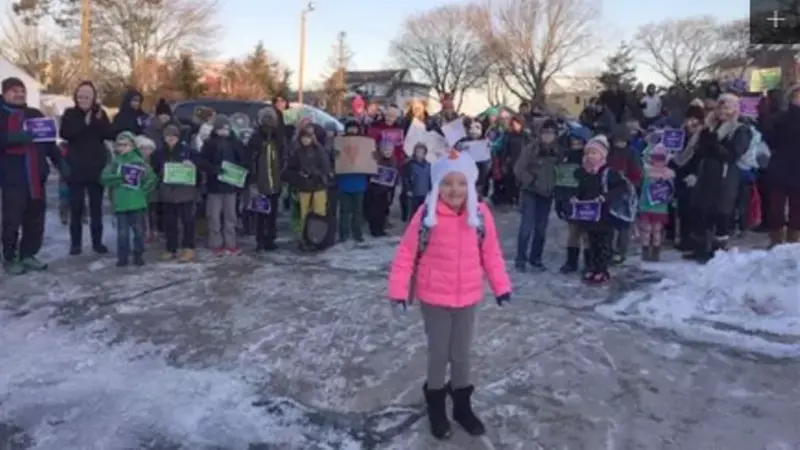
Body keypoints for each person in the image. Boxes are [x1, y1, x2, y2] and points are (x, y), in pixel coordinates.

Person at [387, 150, 511, 440]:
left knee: (462, 355)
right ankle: (436, 405)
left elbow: (491, 254)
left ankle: (462, 406)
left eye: (460, 183)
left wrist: (501, 286)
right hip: (434, 297)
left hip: (468, 296)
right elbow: (406, 254)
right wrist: (398, 291)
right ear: (436, 185)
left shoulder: (480, 215)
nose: (454, 190)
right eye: (447, 183)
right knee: (439, 353)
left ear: (471, 185)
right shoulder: (426, 216)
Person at [0, 77, 63, 274]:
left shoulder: (34, 114)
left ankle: (28, 254)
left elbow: (49, 142)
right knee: (12, 219)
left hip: (36, 176)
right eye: (14, 91)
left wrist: (61, 163)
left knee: (35, 219)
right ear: (4, 93)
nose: (19, 94)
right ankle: (10, 258)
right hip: (12, 178)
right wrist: (13, 138)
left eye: (22, 91)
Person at [684, 94, 751, 262]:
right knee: (701, 210)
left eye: (727, 107)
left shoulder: (740, 129)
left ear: (734, 109)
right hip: (706, 173)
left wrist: (714, 145)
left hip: (725, 174)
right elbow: (699, 150)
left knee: (721, 212)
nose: (723, 111)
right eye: (720, 107)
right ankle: (700, 247)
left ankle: (718, 250)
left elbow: (733, 153)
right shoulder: (709, 127)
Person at [59, 81, 113, 255]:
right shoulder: (69, 114)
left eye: (87, 97)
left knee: (96, 208)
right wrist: (85, 122)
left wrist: (97, 122)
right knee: (76, 207)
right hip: (76, 167)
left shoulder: (100, 113)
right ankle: (76, 244)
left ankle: (97, 243)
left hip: (96, 166)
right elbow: (65, 133)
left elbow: (108, 134)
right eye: (80, 96)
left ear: (93, 98)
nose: (83, 99)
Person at [150, 122, 209, 262]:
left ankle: (189, 248)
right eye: (167, 137)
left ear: (178, 137)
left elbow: (201, 166)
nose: (170, 139)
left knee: (188, 220)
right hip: (168, 193)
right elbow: (154, 170)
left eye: (173, 137)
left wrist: (192, 166)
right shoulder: (159, 153)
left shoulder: (188, 151)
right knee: (169, 222)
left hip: (186, 192)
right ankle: (171, 248)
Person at [573, 136, 627, 284]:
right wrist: (576, 199)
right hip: (589, 215)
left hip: (605, 215)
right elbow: (581, 189)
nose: (591, 156)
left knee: (604, 243)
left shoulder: (608, 172)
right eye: (588, 153)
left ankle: (602, 269)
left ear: (602, 155)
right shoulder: (585, 172)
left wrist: (606, 197)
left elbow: (621, 187)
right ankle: (593, 267)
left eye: (594, 153)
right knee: (592, 242)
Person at [100, 132, 157, 267]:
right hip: (120, 203)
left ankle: (138, 255)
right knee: (122, 233)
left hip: (136, 203)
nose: (122, 148)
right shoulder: (115, 162)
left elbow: (152, 179)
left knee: (138, 232)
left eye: (126, 145)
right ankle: (123, 257)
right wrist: (119, 179)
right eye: (120, 145)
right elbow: (103, 177)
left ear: (132, 145)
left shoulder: (139, 161)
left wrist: (143, 192)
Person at [513, 119, 561, 271]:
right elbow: (518, 168)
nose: (548, 136)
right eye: (545, 133)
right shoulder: (531, 149)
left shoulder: (557, 150)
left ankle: (536, 258)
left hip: (546, 194)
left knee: (541, 229)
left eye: (551, 133)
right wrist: (531, 180)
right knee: (526, 228)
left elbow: (560, 170)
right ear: (540, 134)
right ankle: (521, 259)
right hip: (530, 192)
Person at [201, 116, 247, 256]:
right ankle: (216, 243)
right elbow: (202, 161)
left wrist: (239, 173)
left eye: (226, 128)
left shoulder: (235, 143)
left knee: (230, 216)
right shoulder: (209, 143)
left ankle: (230, 243)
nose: (224, 131)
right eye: (221, 128)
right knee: (214, 216)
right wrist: (214, 170)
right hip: (214, 186)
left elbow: (243, 160)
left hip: (231, 185)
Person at [282, 125, 332, 249]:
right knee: (304, 214)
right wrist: (298, 176)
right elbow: (289, 170)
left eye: (308, 137)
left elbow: (326, 167)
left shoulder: (319, 150)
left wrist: (315, 173)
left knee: (319, 213)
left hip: (318, 186)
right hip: (304, 187)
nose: (305, 140)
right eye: (303, 138)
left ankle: (319, 238)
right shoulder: (297, 152)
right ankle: (305, 238)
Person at [764, 85, 800, 246]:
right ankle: (783, 242)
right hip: (782, 167)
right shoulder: (780, 117)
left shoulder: (778, 117)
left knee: (791, 208)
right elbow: (770, 138)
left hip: (784, 167)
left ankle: (787, 242)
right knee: (780, 207)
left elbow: (770, 138)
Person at [247, 106, 286, 253]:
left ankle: (270, 239)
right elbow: (250, 159)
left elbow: (284, 157)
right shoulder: (256, 138)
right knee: (260, 213)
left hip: (275, 182)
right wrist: (253, 179)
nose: (268, 122)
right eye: (265, 118)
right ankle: (260, 240)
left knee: (272, 213)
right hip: (260, 182)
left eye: (271, 119)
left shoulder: (279, 137)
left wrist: (282, 175)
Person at [555, 125, 591, 273]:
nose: (575, 143)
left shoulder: (588, 158)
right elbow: (560, 179)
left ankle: (589, 262)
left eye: (578, 141)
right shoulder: (565, 156)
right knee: (573, 232)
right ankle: (571, 262)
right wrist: (559, 201)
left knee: (586, 234)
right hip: (570, 199)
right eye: (573, 140)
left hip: (586, 199)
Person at [637, 147, 675, 261]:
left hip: (646, 206)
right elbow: (671, 191)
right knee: (656, 230)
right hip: (660, 208)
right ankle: (655, 253)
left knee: (646, 230)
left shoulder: (646, 172)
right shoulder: (669, 175)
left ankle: (646, 252)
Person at [336, 120, 368, 242]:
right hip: (344, 182)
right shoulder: (340, 143)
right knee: (345, 210)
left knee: (358, 211)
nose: (352, 131)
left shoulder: (364, 143)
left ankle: (357, 233)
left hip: (359, 183)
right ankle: (344, 234)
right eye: (350, 128)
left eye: (354, 128)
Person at [401, 143, 432, 219]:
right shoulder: (410, 164)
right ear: (414, 152)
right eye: (418, 152)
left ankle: (421, 227)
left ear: (425, 154)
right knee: (413, 212)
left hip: (424, 192)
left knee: (423, 211)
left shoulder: (428, 165)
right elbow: (405, 178)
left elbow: (430, 178)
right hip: (414, 193)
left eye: (422, 152)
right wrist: (408, 189)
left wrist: (431, 189)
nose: (419, 154)